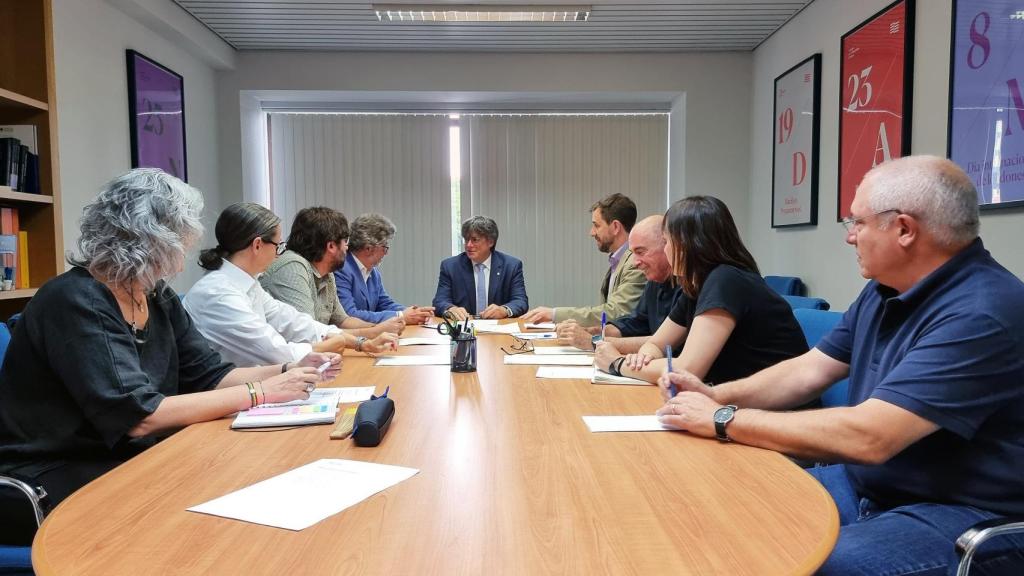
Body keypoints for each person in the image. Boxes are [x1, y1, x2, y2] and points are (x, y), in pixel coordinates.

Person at [657, 157, 1024, 575]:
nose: (850, 237)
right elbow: (807, 371)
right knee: (726, 510)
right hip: (868, 484)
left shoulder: (983, 312)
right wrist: (714, 395)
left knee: (797, 561)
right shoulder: (883, 292)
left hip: (959, 513)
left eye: (857, 222)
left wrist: (723, 417)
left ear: (904, 229)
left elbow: (871, 436)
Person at [0, 170, 339, 545]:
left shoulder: (157, 296)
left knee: (242, 478)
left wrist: (288, 369)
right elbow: (140, 415)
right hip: (55, 469)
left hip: (126, 455)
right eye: (182, 239)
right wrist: (261, 392)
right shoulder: (76, 300)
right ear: (151, 240)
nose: (186, 253)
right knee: (205, 510)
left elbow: (210, 374)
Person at [594, 196, 807, 385]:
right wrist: (644, 358)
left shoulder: (726, 280)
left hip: (779, 413)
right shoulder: (697, 284)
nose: (665, 249)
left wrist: (618, 364)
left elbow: (689, 369)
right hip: (734, 402)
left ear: (687, 244)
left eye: (667, 241)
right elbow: (656, 344)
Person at [183, 203, 397, 367]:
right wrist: (331, 344)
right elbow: (274, 351)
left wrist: (357, 342)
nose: (280, 253)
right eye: (278, 245)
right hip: (222, 402)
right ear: (258, 245)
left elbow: (295, 322)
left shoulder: (249, 284)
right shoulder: (218, 293)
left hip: (255, 386)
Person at [259, 207, 405, 336]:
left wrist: (382, 328)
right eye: (345, 242)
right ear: (331, 246)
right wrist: (373, 332)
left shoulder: (327, 274)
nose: (348, 248)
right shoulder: (292, 267)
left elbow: (344, 320)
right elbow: (309, 335)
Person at [557, 215, 682, 352]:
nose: (635, 262)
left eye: (640, 252)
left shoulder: (688, 287)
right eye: (633, 253)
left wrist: (594, 341)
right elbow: (635, 323)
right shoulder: (655, 280)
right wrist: (593, 331)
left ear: (669, 246)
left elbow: (663, 341)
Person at [522, 193, 645, 327]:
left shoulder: (635, 263)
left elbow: (616, 312)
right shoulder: (619, 260)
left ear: (615, 227)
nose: (591, 232)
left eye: (596, 226)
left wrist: (554, 314)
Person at [334, 213, 434, 325]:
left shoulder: (373, 272)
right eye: (385, 247)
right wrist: (400, 316)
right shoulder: (341, 269)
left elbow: (383, 303)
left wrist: (414, 312)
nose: (387, 253)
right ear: (368, 248)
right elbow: (349, 315)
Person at [432, 215, 528, 321]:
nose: (468, 245)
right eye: (466, 239)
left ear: (490, 242)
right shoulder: (450, 266)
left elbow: (520, 301)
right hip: (463, 327)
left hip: (498, 329)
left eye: (475, 240)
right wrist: (450, 309)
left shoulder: (511, 266)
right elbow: (440, 301)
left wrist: (504, 310)